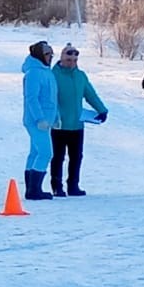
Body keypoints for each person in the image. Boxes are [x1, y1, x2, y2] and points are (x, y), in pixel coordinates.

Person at [50, 44, 108, 196]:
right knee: (58, 157)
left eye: (75, 60)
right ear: (62, 58)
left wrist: (101, 110)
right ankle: (57, 186)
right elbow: (48, 99)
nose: (72, 63)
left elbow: (90, 94)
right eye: (69, 59)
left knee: (76, 157)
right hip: (59, 125)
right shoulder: (53, 76)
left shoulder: (80, 76)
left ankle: (73, 185)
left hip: (77, 124)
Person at [21, 40, 59, 200]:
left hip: (46, 121)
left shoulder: (47, 71)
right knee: (45, 153)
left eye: (51, 54)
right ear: (39, 55)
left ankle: (31, 189)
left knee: (35, 152)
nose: (50, 57)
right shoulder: (34, 73)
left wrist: (56, 117)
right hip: (36, 121)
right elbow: (32, 98)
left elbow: (52, 98)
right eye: (47, 54)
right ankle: (34, 189)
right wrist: (39, 118)